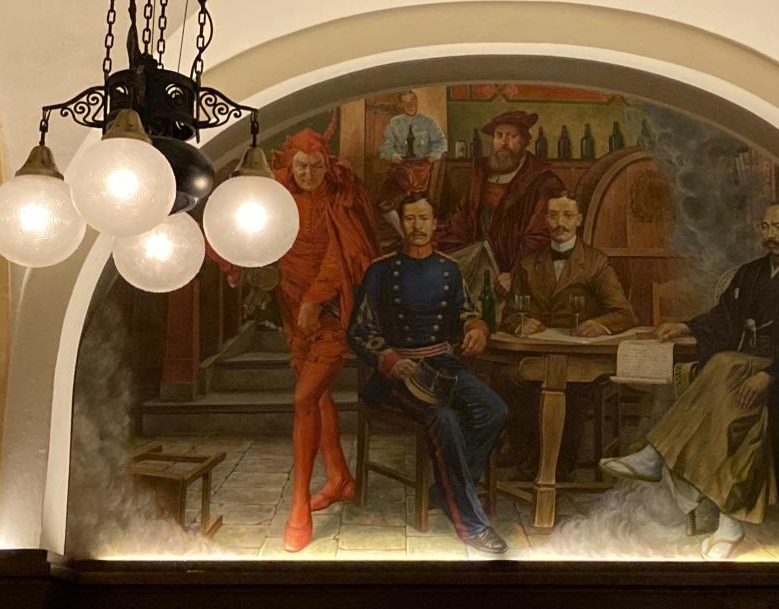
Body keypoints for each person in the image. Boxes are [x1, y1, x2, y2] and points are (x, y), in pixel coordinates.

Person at [598, 204, 779, 560]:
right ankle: (729, 526)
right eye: (765, 226)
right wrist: (686, 327)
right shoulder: (750, 274)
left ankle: (657, 457)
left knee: (726, 370)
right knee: (731, 392)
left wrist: (770, 376)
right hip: (743, 373)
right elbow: (725, 318)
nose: (770, 235)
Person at [349, 193, 511, 554]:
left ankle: (445, 490)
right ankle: (472, 524)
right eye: (410, 219)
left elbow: (467, 311)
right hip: (398, 374)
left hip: (443, 365)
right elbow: (358, 329)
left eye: (424, 218)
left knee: (495, 410)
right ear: (401, 223)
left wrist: (476, 329)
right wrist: (389, 359)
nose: (417, 226)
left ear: (435, 223)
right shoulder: (380, 270)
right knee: (444, 418)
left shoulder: (449, 269)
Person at [272, 117, 379, 552]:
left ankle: (299, 504)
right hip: (291, 309)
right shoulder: (278, 196)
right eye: (302, 166)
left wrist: (314, 301)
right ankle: (339, 478)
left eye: (316, 166)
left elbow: (343, 256)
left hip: (332, 312)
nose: (309, 174)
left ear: (326, 164)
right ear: (290, 164)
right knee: (316, 397)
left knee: (303, 400)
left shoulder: (339, 197)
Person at [497, 192, 638, 473]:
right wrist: (519, 324)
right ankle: (531, 450)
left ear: (579, 220)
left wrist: (600, 324)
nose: (560, 223)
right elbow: (510, 314)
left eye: (567, 215)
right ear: (545, 220)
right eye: (553, 215)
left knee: (571, 386)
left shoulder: (596, 263)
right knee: (507, 378)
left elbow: (625, 314)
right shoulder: (528, 263)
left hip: (580, 359)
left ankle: (558, 464)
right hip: (538, 356)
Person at [438, 109, 565, 293]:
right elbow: (460, 221)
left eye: (512, 136)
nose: (504, 143)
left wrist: (516, 272)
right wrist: (446, 256)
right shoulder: (481, 177)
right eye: (499, 136)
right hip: (477, 268)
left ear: (524, 141)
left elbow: (541, 236)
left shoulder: (544, 182)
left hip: (516, 275)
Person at [376, 91, 448, 237]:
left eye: (412, 101)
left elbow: (441, 143)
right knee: (383, 202)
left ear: (417, 101)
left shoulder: (428, 123)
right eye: (405, 102)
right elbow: (385, 147)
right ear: (401, 105)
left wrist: (433, 156)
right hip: (401, 168)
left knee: (416, 204)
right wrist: (394, 156)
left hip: (422, 170)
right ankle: (404, 234)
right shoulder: (394, 123)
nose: (409, 105)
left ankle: (416, 234)